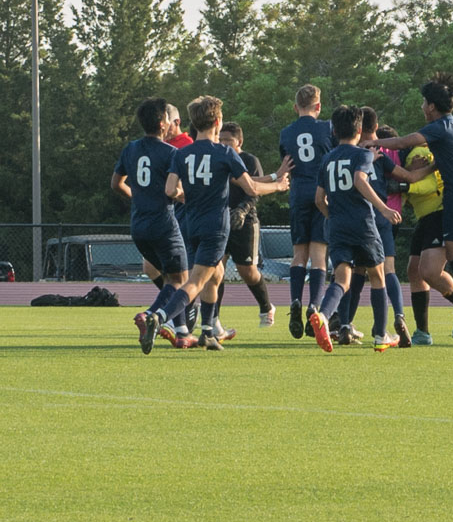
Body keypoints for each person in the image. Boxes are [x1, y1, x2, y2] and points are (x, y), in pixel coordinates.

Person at [141, 95, 288, 351]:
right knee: (196, 281)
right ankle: (159, 317)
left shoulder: (182, 153)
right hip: (215, 227)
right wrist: (278, 185)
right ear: (218, 122)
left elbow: (169, 189)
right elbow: (251, 187)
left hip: (190, 225)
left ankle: (208, 331)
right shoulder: (225, 152)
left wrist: (187, 195)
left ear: (194, 123)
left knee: (216, 274)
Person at [362, 72, 453, 339]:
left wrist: (373, 142)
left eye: (424, 103)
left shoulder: (440, 126)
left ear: (432, 106)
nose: (422, 107)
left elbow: (404, 141)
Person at [308, 106, 405, 352]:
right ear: (360, 130)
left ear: (334, 130)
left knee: (342, 278)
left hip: (337, 225)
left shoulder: (327, 159)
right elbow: (359, 180)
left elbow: (319, 199)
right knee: (378, 275)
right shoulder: (362, 155)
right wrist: (383, 208)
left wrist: (333, 216)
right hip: (362, 224)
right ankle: (381, 335)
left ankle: (324, 315)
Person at [113, 97, 197, 352]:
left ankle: (180, 329)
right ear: (163, 124)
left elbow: (116, 183)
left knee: (169, 277)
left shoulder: (130, 149)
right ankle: (151, 315)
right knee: (180, 280)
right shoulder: (172, 153)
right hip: (164, 223)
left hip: (139, 225)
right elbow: (175, 191)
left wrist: (137, 197)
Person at [219, 121, 291, 328]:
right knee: (216, 270)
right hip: (221, 220)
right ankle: (212, 318)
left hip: (246, 222)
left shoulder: (249, 160)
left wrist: (241, 210)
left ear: (239, 141)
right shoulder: (219, 158)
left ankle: (267, 306)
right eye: (220, 139)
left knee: (247, 271)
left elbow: (255, 191)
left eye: (228, 140)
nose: (224, 144)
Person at [278, 84, 334, 339]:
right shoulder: (327, 128)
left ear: (295, 107)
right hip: (321, 193)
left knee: (299, 254)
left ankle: (295, 301)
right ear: (318, 106)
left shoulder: (286, 133)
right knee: (319, 256)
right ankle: (314, 305)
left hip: (298, 193)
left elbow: (287, 163)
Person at [400, 142, 448, 345]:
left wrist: (405, 184)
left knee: (430, 271)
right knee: (414, 271)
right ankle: (423, 331)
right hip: (425, 218)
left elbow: (428, 185)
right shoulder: (401, 161)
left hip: (437, 215)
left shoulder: (419, 153)